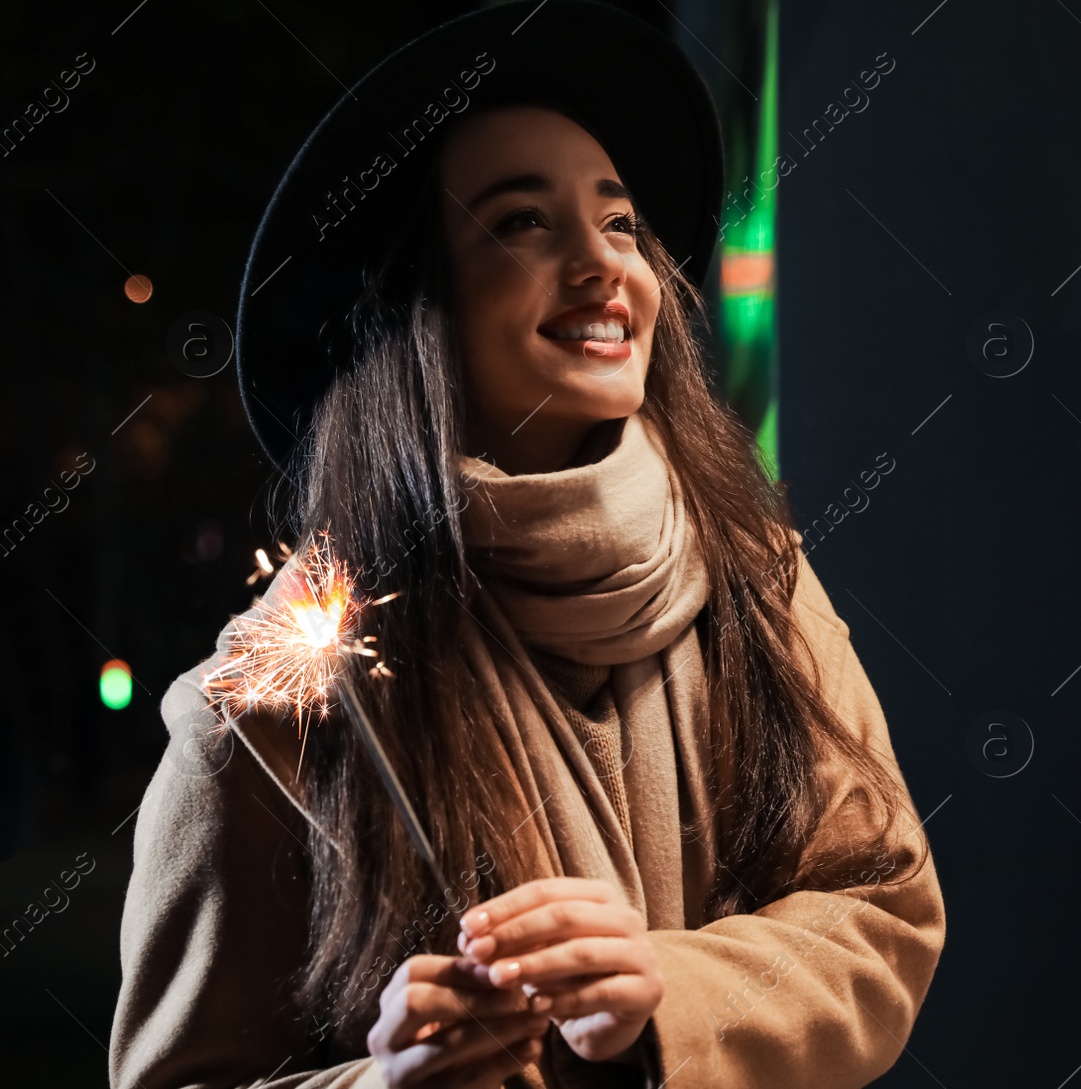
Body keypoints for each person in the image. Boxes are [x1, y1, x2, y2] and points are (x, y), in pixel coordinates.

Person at [108, 3, 945, 1088]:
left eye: (620, 224)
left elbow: (880, 914)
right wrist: (387, 1083)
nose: (603, 267)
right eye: (519, 224)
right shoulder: (282, 697)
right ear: (417, 304)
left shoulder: (758, 579)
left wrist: (660, 999)